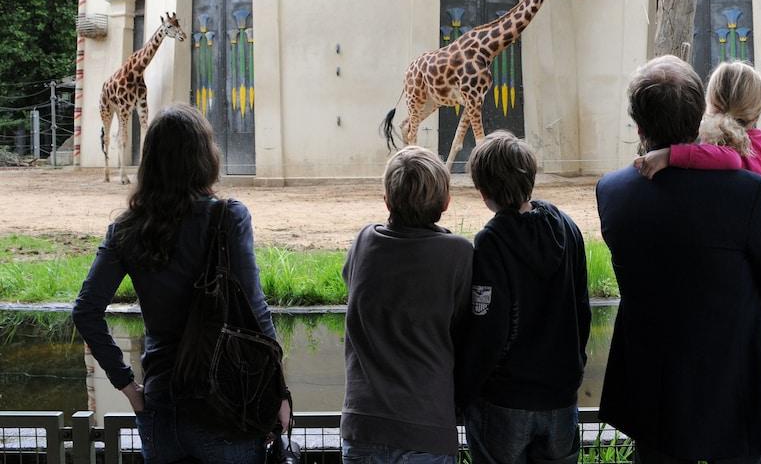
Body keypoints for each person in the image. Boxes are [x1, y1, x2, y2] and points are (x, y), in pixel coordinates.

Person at [596, 56, 761, 464]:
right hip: (736, 395)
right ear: (698, 119)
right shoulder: (749, 193)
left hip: (655, 397)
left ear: (638, 127)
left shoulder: (613, 192)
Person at [73, 104, 290, 464]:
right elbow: (255, 312)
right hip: (225, 404)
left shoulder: (126, 230)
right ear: (206, 157)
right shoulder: (229, 218)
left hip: (160, 406)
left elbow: (86, 311)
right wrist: (278, 392)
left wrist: (126, 384)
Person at [457, 131, 591, 464]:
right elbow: (582, 312)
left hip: (505, 402)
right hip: (560, 397)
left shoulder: (491, 242)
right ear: (530, 175)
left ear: (483, 190)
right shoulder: (568, 228)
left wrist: (462, 394)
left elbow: (488, 331)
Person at [341, 146, 473, 464]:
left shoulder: (364, 242)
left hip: (363, 426)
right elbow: (467, 325)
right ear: (446, 203)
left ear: (387, 200)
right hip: (427, 427)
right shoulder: (458, 254)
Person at [634, 60, 761, 278]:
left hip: (725, 256)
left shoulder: (707, 148)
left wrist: (670, 154)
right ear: (758, 111)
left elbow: (730, 159)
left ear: (709, 103)